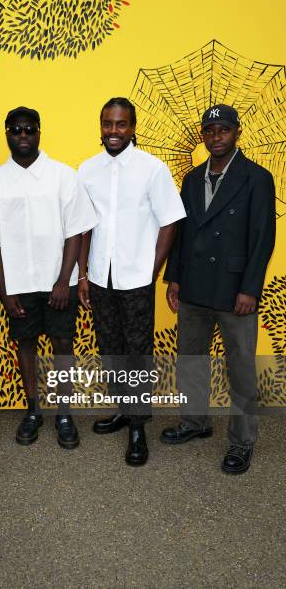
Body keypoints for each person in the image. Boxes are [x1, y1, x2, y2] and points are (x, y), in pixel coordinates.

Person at [161, 104, 276, 474]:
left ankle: (242, 442)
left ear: (236, 133)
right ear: (203, 135)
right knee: (191, 360)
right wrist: (174, 278)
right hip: (194, 287)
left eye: (223, 130)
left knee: (240, 368)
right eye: (209, 131)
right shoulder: (192, 180)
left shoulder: (256, 178)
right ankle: (195, 422)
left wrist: (250, 288)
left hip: (234, 291)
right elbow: (182, 234)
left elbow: (262, 238)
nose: (216, 137)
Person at [77, 97, 186, 466]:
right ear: (101, 125)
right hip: (100, 276)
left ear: (133, 126)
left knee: (137, 351)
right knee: (110, 347)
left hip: (136, 277)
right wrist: (83, 274)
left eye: (121, 124)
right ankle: (124, 410)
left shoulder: (152, 169)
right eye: (107, 123)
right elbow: (83, 226)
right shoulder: (87, 170)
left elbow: (170, 220)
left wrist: (151, 270)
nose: (113, 131)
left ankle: (138, 427)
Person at [0, 107, 98, 449]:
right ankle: (33, 410)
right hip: (18, 287)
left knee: (63, 345)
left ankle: (64, 412)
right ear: (7, 133)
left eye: (28, 130)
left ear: (39, 132)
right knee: (26, 345)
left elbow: (76, 231)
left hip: (59, 282)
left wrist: (65, 280)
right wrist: (5, 292)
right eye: (15, 130)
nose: (22, 136)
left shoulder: (63, 176)